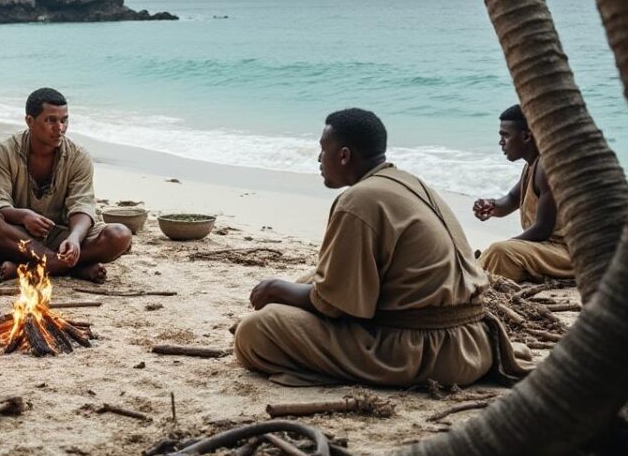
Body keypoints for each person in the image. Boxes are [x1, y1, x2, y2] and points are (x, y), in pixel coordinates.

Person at [233, 108, 529, 387]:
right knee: (311, 278)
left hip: (426, 353)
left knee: (255, 332)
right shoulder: (409, 182)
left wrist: (276, 288)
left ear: (344, 155)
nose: (318, 159)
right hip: (474, 343)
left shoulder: (358, 201)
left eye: (323, 150)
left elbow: (335, 306)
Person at [0, 87, 131, 283]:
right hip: (18, 238)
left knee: (120, 235)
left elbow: (82, 205)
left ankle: (33, 269)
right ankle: (70, 268)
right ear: (30, 121)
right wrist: (24, 216)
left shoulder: (78, 156)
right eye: (50, 120)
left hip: (61, 237)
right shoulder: (3, 151)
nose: (59, 128)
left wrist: (74, 239)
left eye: (64, 120)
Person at [474, 104, 572, 281]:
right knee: (498, 253)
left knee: (499, 251)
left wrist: (508, 245)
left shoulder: (548, 167)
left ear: (526, 136)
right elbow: (511, 200)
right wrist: (491, 206)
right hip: (546, 249)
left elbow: (542, 230)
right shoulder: (532, 164)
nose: (501, 142)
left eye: (505, 135)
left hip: (568, 252)